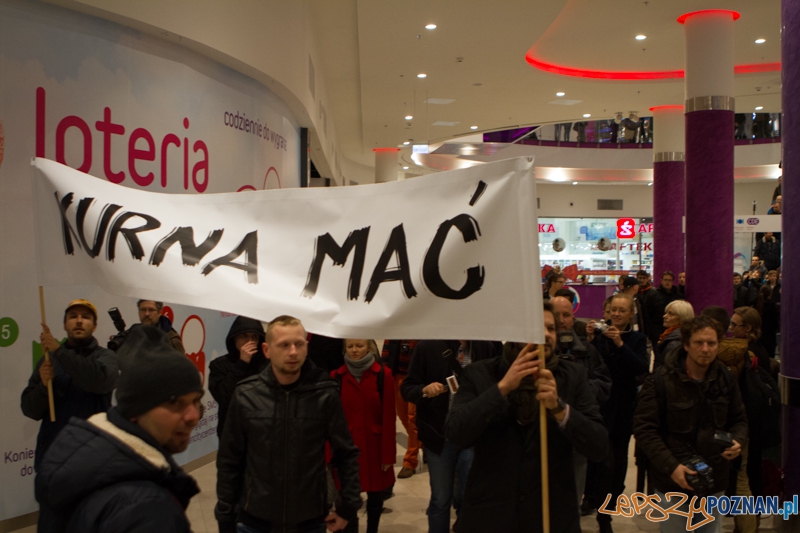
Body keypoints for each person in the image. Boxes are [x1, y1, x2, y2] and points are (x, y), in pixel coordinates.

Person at [444, 302, 609, 533]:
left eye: (551, 328)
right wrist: (501, 389)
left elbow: (598, 446)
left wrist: (560, 408)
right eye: (534, 326)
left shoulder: (572, 376)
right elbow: (456, 433)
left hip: (552, 517)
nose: (544, 334)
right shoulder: (480, 373)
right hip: (489, 516)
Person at [35, 325, 203, 532]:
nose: (194, 416)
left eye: (196, 400)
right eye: (175, 402)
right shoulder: (147, 509)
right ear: (136, 408)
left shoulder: (80, 456)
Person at [215, 315, 361, 533]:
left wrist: (347, 507)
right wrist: (226, 516)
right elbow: (229, 460)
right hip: (255, 520)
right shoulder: (246, 395)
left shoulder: (324, 395)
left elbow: (346, 454)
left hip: (309, 520)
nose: (293, 352)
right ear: (266, 350)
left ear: (306, 347)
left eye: (298, 344)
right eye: (284, 345)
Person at [634, 316, 748, 533]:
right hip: (674, 481)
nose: (705, 349)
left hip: (714, 479)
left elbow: (739, 419)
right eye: (698, 343)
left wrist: (737, 441)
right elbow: (645, 430)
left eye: (711, 343)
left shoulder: (726, 378)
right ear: (686, 344)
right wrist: (672, 467)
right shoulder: (661, 380)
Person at [401, 339, 498, 533]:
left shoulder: (485, 346)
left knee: (468, 497)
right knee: (440, 498)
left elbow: (495, 386)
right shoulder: (427, 347)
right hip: (439, 436)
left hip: (473, 435)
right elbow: (407, 388)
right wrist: (424, 390)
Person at [21, 299, 119, 472]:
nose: (79, 320)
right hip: (52, 461)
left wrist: (59, 351)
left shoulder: (106, 356)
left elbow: (98, 381)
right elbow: (29, 410)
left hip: (93, 461)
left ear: (94, 326)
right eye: (73, 316)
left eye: (86, 317)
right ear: (65, 325)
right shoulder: (47, 361)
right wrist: (43, 387)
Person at [590, 293, 648, 533]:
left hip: (624, 406)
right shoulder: (599, 337)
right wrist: (591, 341)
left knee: (619, 459)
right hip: (601, 406)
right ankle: (596, 502)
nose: (616, 314)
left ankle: (610, 505)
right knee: (603, 460)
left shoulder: (637, 339)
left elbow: (641, 368)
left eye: (622, 310)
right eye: (613, 309)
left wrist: (620, 345)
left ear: (630, 314)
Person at [551, 296, 611, 508]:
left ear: (573, 318)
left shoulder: (587, 351)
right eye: (555, 315)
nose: (560, 320)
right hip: (543, 434)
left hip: (577, 432)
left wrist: (578, 390)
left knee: (572, 500)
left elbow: (604, 384)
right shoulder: (536, 350)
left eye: (566, 315)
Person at [332, 339, 396, 533]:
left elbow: (388, 417)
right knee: (348, 500)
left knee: (376, 498)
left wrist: (388, 455)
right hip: (347, 449)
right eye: (350, 346)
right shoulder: (336, 377)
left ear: (369, 347)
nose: (354, 350)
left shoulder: (383, 375)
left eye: (359, 346)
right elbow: (332, 421)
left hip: (374, 447)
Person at [209, 316, 267, 439]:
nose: (250, 341)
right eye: (244, 336)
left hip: (263, 431)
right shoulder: (219, 365)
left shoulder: (267, 363)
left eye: (254, 337)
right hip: (232, 432)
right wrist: (242, 364)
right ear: (234, 338)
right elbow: (224, 397)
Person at [382, 339, 421, 478]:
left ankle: (410, 461)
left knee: (412, 418)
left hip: (418, 377)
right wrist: (384, 374)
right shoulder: (396, 327)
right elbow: (387, 352)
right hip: (398, 375)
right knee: (402, 415)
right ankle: (424, 444)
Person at [655, 300, 694, 368]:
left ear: (682, 319)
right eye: (666, 313)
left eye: (671, 314)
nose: (664, 316)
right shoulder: (671, 335)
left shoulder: (675, 342)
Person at [636, 270, 663, 349]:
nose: (641, 280)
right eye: (639, 278)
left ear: (648, 279)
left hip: (652, 328)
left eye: (644, 278)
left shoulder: (654, 292)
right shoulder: (635, 292)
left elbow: (656, 312)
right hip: (639, 327)